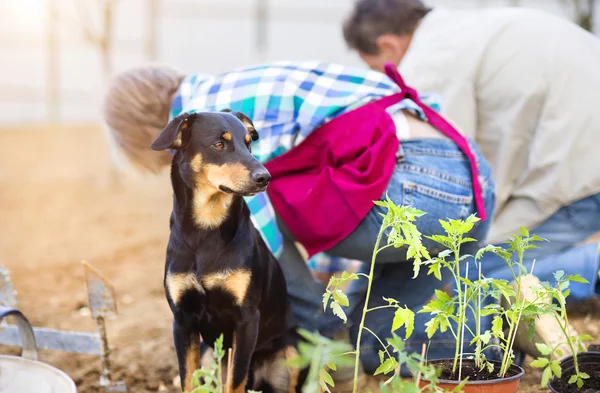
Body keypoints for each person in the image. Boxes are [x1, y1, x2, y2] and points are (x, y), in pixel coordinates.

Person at [102, 61, 495, 385]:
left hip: (421, 186)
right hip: (471, 188)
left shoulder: (213, 112)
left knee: (238, 214)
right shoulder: (233, 82)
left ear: (141, 129)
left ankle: (326, 346)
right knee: (374, 343)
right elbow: (337, 188)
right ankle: (494, 341)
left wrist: (314, 320)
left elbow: (267, 228)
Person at [343, 0, 600, 334]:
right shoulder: (467, 29)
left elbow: (448, 173)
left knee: (479, 267)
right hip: (579, 156)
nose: (386, 78)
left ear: (387, 45)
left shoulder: (431, 60)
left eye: (378, 68)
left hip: (581, 170)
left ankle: (591, 269)